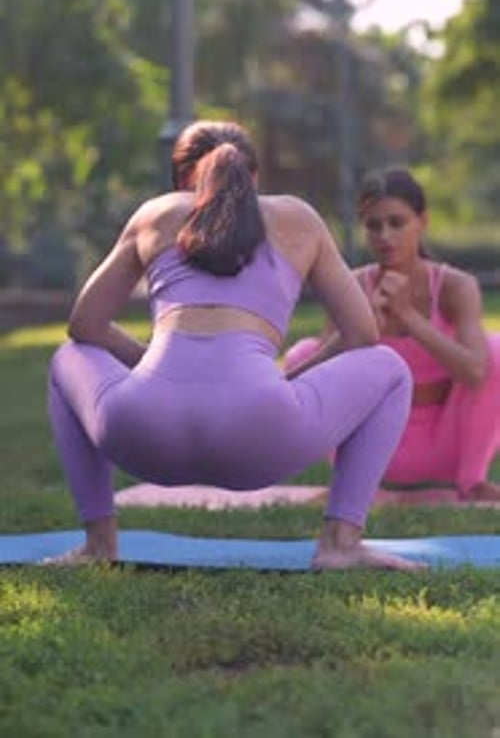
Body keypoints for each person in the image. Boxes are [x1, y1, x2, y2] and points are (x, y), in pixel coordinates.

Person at [47, 121, 421, 571]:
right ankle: (340, 543)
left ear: (183, 184)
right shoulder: (297, 218)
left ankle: (99, 546)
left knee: (66, 359)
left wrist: (152, 366)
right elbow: (363, 334)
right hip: (260, 436)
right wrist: (289, 378)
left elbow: (84, 326)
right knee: (390, 367)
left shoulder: (156, 213)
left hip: (143, 432)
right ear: (253, 178)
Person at [284, 166, 500, 502]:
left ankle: (470, 483)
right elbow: (324, 376)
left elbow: (475, 373)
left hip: (445, 447)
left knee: (495, 351)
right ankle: (354, 479)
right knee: (303, 353)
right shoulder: (351, 286)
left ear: (422, 221)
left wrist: (408, 316)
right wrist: (366, 325)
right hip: (373, 446)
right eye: (373, 225)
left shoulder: (456, 286)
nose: (385, 236)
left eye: (396, 223)